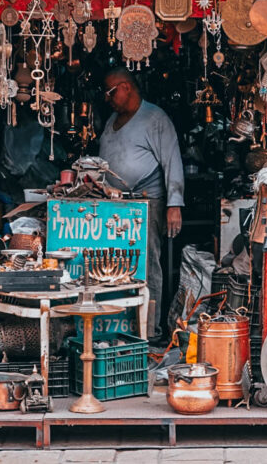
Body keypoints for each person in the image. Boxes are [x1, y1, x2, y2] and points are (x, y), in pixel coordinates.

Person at [98, 67, 184, 339]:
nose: (107, 98)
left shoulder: (154, 118)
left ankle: (149, 331)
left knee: (146, 266)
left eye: (111, 91)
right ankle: (119, 326)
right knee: (114, 266)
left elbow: (172, 161)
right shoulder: (112, 120)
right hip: (114, 204)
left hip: (147, 203)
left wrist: (174, 205)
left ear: (126, 87)